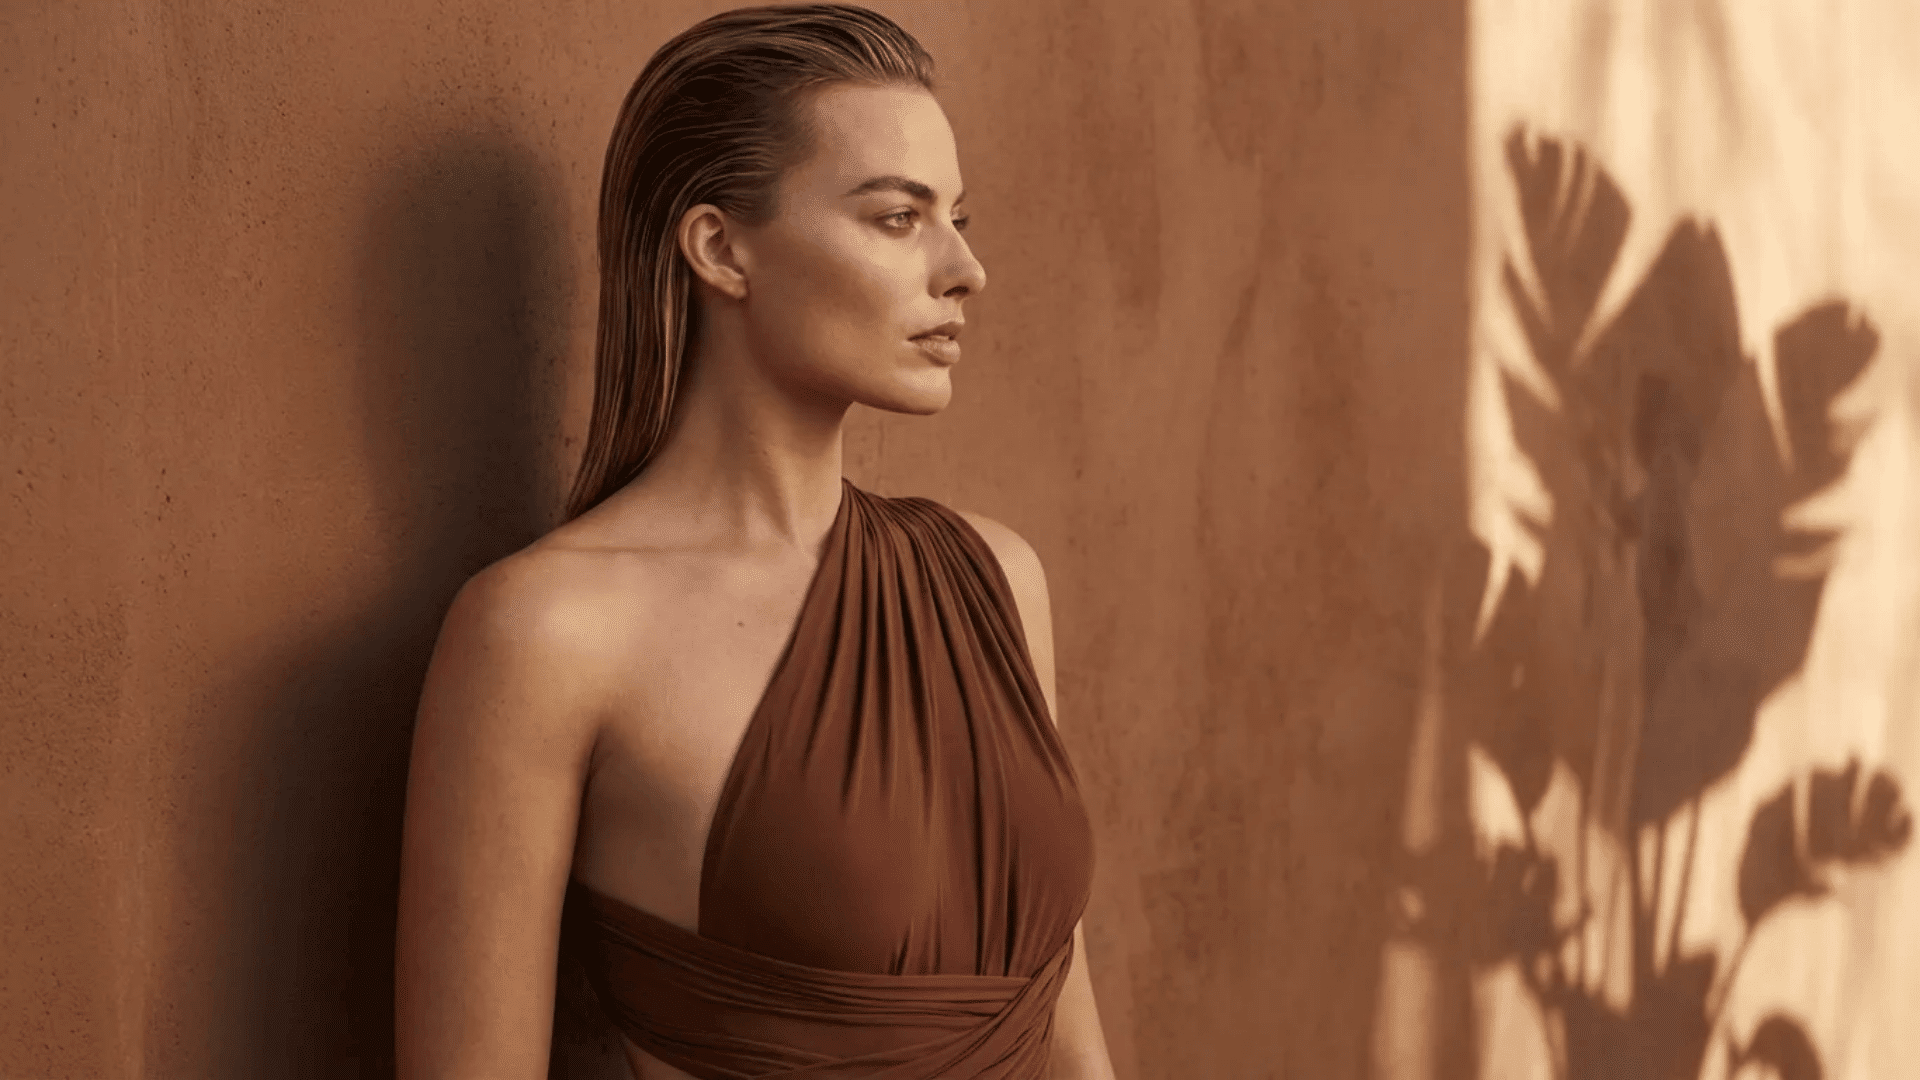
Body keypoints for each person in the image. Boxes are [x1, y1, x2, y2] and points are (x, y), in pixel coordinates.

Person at [393, 5, 1115, 1079]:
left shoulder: (997, 580)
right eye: (896, 218)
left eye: (959, 217)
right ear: (721, 248)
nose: (963, 269)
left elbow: (1067, 1039)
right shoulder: (546, 634)